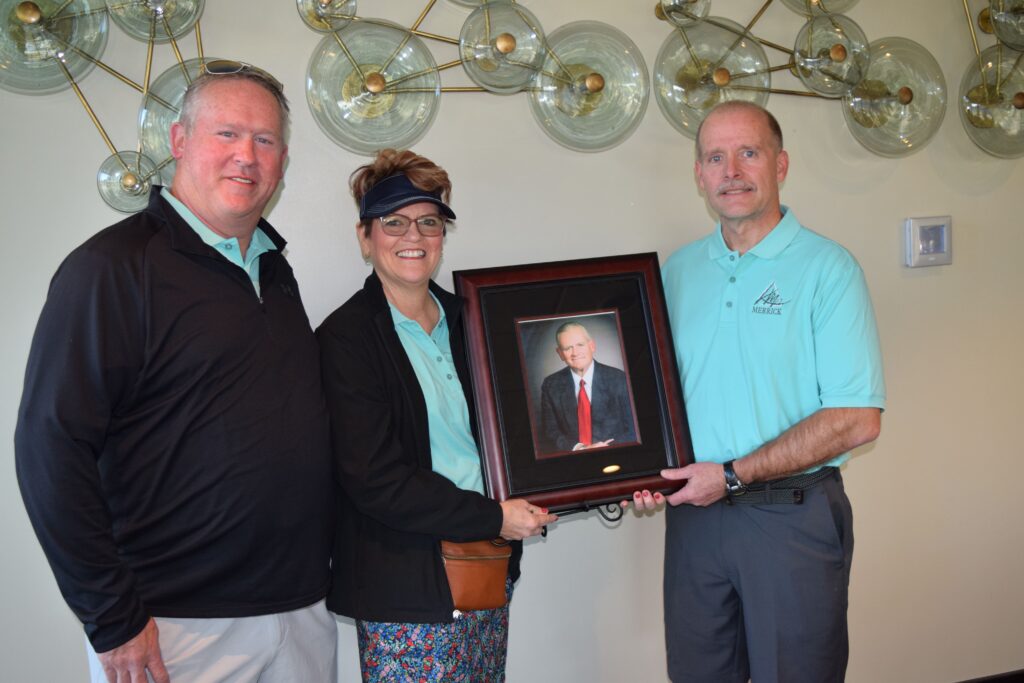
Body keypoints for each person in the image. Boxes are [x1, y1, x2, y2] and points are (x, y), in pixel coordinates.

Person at [15, 62, 336, 683]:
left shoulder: (275, 270)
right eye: (227, 133)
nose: (246, 155)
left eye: (264, 140)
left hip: (300, 610)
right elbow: (50, 447)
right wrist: (112, 618)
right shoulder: (112, 269)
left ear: (283, 159)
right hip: (172, 627)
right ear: (180, 141)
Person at [629, 101, 885, 683]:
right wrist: (636, 471)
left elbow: (857, 418)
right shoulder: (675, 273)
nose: (732, 171)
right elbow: (652, 399)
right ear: (699, 174)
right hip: (695, 520)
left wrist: (733, 474)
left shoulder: (828, 269)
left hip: (791, 516)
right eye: (715, 157)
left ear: (780, 164)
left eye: (749, 152)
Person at [316, 149, 557, 682]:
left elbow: (520, 435)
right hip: (405, 586)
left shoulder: (475, 320)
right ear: (365, 238)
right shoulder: (346, 339)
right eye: (393, 222)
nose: (414, 236)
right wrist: (495, 517)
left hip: (485, 567)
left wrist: (580, 478)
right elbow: (375, 480)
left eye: (429, 222)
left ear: (443, 236)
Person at [538, 321, 637, 453]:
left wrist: (606, 448)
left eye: (580, 345)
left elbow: (634, 428)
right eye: (567, 348)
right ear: (560, 353)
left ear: (592, 346)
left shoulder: (619, 379)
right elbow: (550, 431)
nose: (575, 353)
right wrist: (580, 448)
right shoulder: (551, 385)